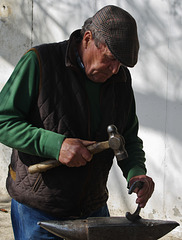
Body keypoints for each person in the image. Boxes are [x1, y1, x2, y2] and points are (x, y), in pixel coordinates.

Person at [0, 5, 154, 240]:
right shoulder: (40, 62)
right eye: (111, 59)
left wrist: (136, 173)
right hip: (40, 212)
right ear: (88, 38)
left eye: (120, 64)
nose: (115, 70)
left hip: (93, 210)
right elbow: (3, 121)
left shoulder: (120, 79)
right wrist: (55, 145)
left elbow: (128, 138)